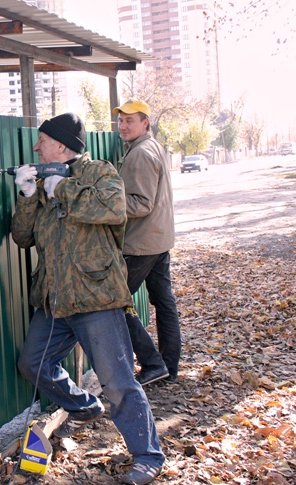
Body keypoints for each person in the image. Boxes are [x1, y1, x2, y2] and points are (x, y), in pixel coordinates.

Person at [11, 113, 165, 485]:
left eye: (42, 140)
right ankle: (84, 406)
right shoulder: (46, 178)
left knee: (118, 382)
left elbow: (114, 209)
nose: (36, 147)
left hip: (95, 298)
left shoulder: (101, 172)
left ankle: (148, 456)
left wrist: (60, 188)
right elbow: (22, 237)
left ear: (61, 145)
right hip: (55, 300)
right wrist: (29, 195)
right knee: (33, 364)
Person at [113, 98, 181, 386]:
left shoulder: (140, 153)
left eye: (130, 120)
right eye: (121, 120)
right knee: (164, 302)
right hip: (159, 238)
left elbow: (140, 203)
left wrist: (106, 203)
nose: (123, 125)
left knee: (112, 302)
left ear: (145, 123)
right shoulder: (153, 147)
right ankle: (168, 365)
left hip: (141, 243)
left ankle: (153, 363)